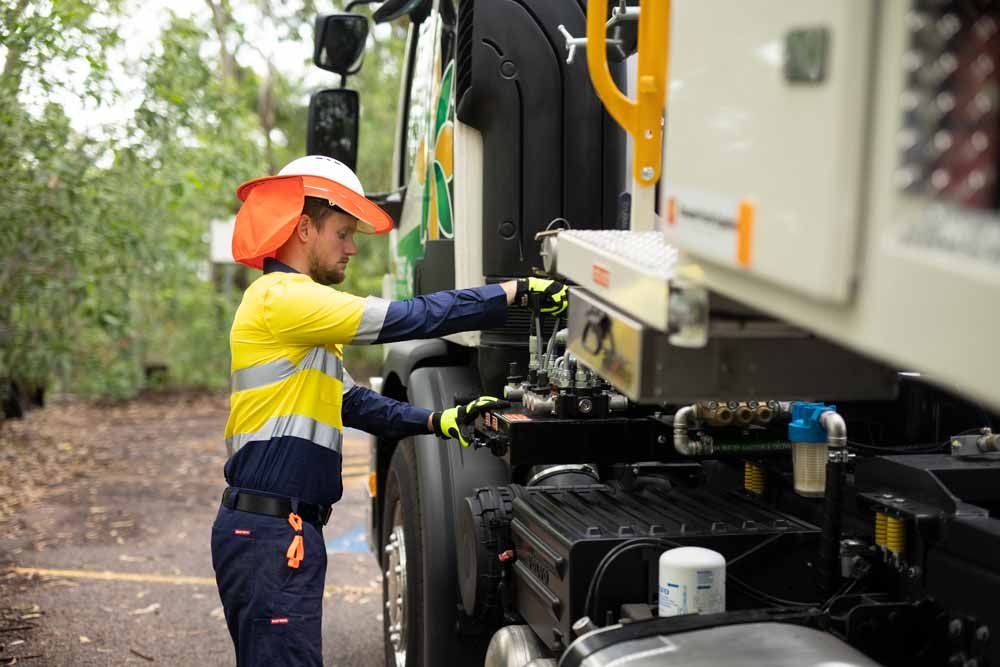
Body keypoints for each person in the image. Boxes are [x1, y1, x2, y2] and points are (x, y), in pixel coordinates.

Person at [211, 155, 567, 666]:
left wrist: (437, 420)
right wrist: (513, 293)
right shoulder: (282, 299)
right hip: (270, 536)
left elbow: (349, 402)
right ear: (304, 228)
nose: (352, 247)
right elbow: (408, 317)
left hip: (276, 534)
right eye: (343, 232)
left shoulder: (292, 317)